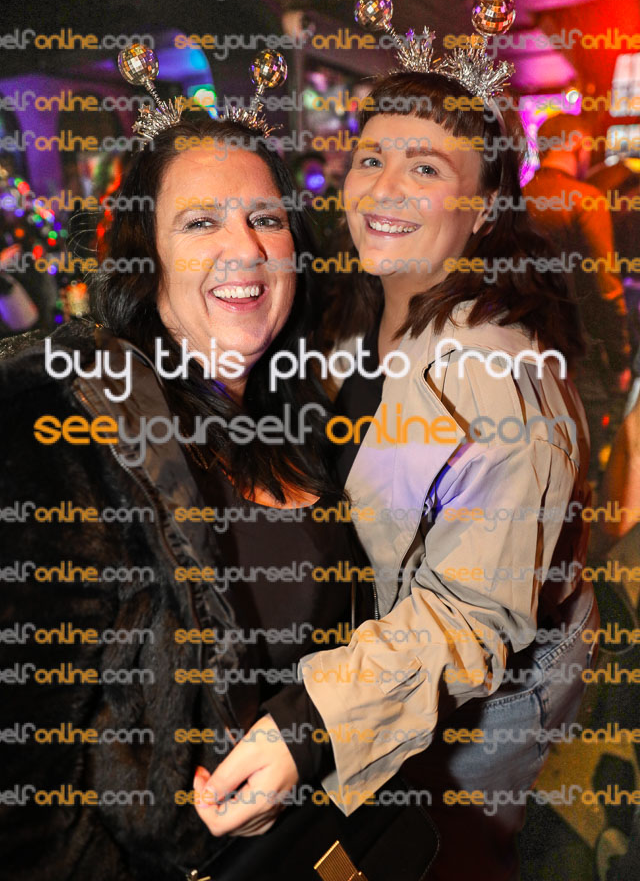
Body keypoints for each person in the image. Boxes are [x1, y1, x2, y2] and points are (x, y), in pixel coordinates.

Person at [1, 113, 434, 881]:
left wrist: (306, 738)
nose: (247, 249)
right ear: (145, 259)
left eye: (266, 218)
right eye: (201, 222)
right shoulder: (74, 428)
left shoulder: (298, 412)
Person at [196, 71, 600, 881]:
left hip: (492, 694)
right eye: (372, 159)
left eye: (425, 167)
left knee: (446, 852)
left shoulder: (495, 375)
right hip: (391, 658)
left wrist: (311, 727)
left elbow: (471, 612)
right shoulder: (359, 303)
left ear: (483, 206)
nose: (385, 189)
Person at [523, 114, 632, 484]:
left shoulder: (513, 201)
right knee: (581, 466)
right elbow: (606, 288)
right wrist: (620, 356)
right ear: (577, 146)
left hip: (523, 354)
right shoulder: (585, 200)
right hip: (579, 355)